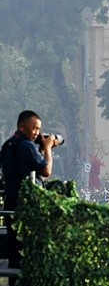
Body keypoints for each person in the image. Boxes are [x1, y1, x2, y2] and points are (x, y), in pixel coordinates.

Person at [1, 110, 59, 270]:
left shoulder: (8, 145)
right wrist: (48, 148)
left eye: (38, 129)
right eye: (33, 128)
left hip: (11, 203)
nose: (36, 133)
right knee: (28, 252)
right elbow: (46, 171)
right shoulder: (26, 146)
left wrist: (40, 150)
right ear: (21, 126)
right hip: (26, 207)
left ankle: (14, 284)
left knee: (15, 253)